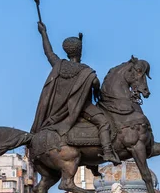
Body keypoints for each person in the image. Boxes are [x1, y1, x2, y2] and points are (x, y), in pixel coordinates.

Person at [31, 21, 120, 165]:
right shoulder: (85, 70)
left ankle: (93, 164)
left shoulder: (60, 65)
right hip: (83, 107)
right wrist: (95, 88)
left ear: (67, 51)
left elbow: (49, 53)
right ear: (79, 51)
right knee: (104, 123)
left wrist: (43, 33)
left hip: (63, 109)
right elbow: (96, 84)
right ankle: (108, 152)